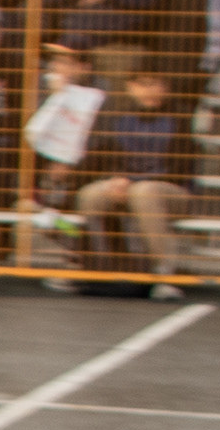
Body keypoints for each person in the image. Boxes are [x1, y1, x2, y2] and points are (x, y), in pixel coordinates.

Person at [72, 70, 196, 296]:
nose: (148, 90)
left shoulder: (180, 118)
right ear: (131, 87)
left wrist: (131, 181)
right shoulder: (120, 118)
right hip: (129, 185)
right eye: (142, 84)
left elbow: (178, 170)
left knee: (144, 192)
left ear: (165, 87)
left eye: (154, 83)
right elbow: (107, 157)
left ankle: (165, 274)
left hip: (173, 192)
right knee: (90, 195)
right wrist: (115, 179)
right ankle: (101, 268)